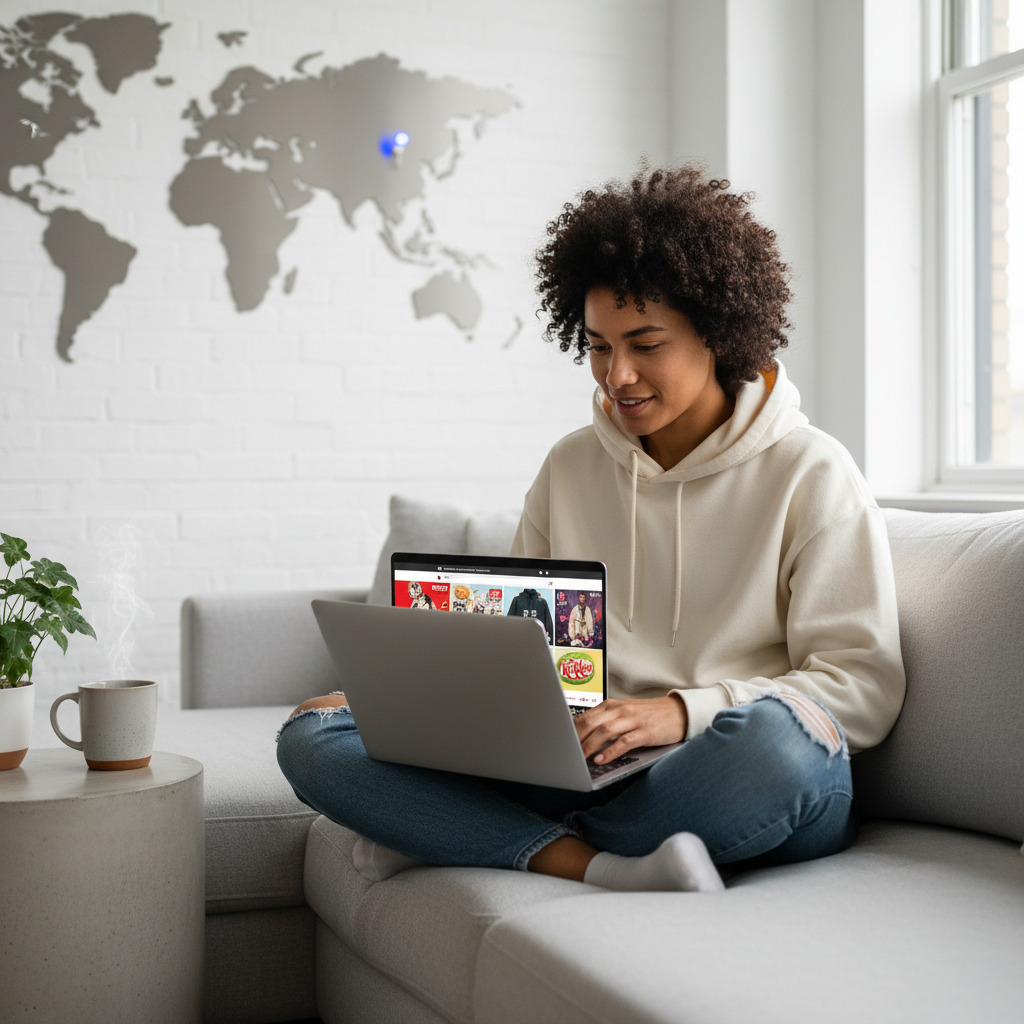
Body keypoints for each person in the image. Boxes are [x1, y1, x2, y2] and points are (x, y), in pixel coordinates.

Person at [277, 165, 905, 893]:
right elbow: (517, 659)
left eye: (645, 344)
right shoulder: (571, 465)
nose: (617, 376)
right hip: (584, 766)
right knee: (313, 737)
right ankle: (591, 863)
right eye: (599, 345)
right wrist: (387, 702)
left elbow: (860, 687)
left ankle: (461, 833)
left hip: (719, 764)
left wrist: (679, 712)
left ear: (717, 332)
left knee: (780, 744)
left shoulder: (813, 472)